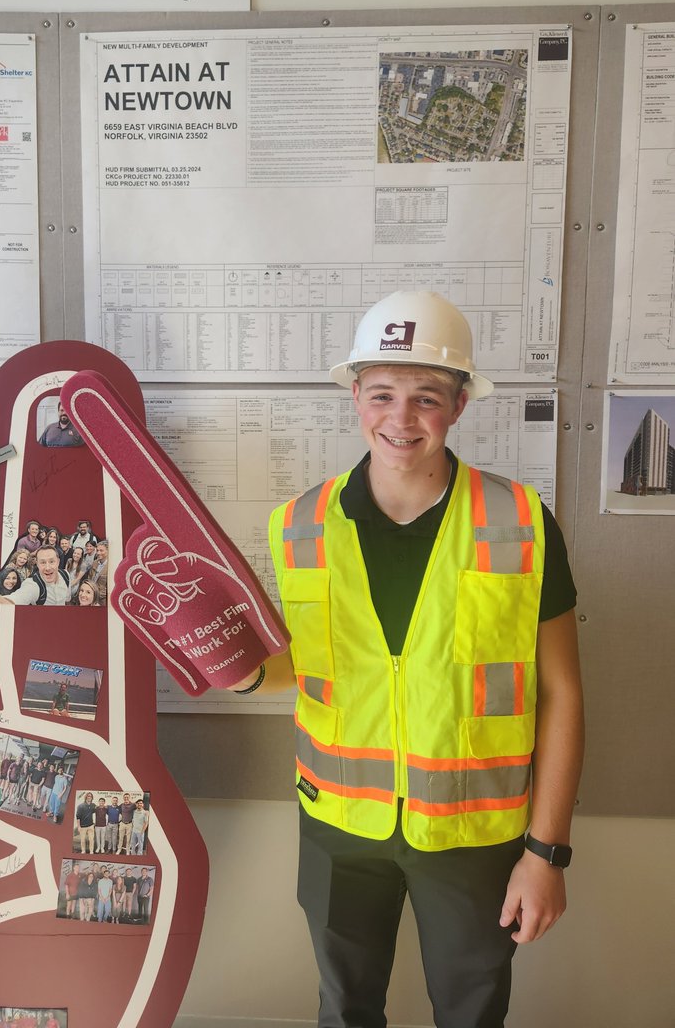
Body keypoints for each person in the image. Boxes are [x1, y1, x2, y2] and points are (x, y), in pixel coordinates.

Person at [247, 290, 584, 1028]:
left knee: (471, 1013)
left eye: (426, 397)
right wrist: (235, 667)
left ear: (459, 405)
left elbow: (561, 694)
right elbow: (302, 664)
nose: (401, 419)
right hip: (337, 829)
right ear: (356, 399)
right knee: (344, 1010)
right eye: (382, 395)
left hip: (473, 835)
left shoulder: (523, 523)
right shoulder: (297, 525)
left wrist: (546, 853)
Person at [0, 545, 70, 606]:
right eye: (43, 562)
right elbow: (14, 599)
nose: (48, 568)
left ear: (58, 562)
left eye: (51, 561)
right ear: (37, 564)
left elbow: (67, 600)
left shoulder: (65, 575)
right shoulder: (32, 585)